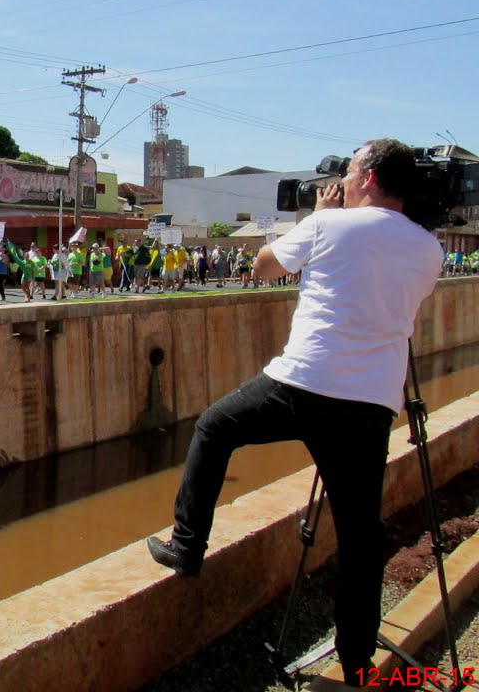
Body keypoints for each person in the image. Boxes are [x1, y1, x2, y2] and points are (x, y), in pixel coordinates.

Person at [146, 139, 444, 687]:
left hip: (302, 384)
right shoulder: (431, 251)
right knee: (360, 539)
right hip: (370, 405)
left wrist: (317, 216)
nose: (345, 181)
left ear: (371, 178)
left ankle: (187, 547)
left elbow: (262, 268)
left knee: (215, 427)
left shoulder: (329, 225)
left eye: (352, 172)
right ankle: (357, 666)